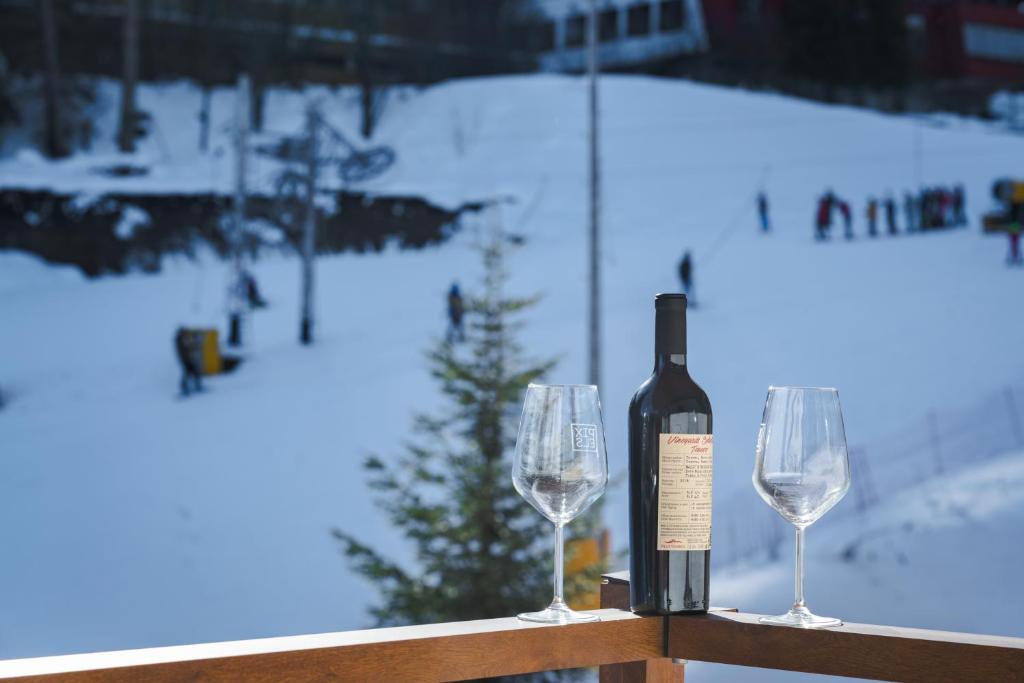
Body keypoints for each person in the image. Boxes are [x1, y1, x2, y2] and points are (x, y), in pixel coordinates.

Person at [174, 327, 203, 396]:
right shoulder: (180, 340)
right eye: (184, 333)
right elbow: (188, 348)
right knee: (188, 372)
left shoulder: (181, 340)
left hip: (187, 359)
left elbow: (190, 347)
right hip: (186, 360)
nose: (186, 334)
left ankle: (196, 385)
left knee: (193, 372)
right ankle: (185, 387)